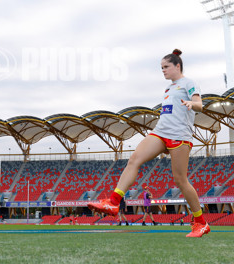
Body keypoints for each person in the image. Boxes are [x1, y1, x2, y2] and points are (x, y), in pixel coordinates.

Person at [89, 49, 209, 237]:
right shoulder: (168, 88)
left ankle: (200, 222)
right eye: (161, 68)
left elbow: (199, 105)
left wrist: (190, 104)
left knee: (180, 180)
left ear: (178, 65)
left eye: (166, 67)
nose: (163, 70)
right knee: (134, 159)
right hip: (160, 132)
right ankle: (113, 202)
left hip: (179, 135)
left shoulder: (189, 82)